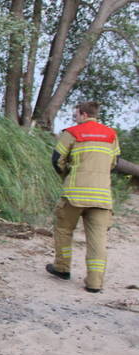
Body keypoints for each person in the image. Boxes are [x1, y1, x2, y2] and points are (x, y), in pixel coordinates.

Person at [46, 100, 120, 293]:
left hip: (74, 194)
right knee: (98, 240)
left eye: (76, 114)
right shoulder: (111, 135)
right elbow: (115, 162)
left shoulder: (72, 133)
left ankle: (62, 268)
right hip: (102, 197)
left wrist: (66, 174)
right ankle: (94, 283)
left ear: (84, 115)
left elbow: (56, 160)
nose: (74, 117)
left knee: (63, 229)